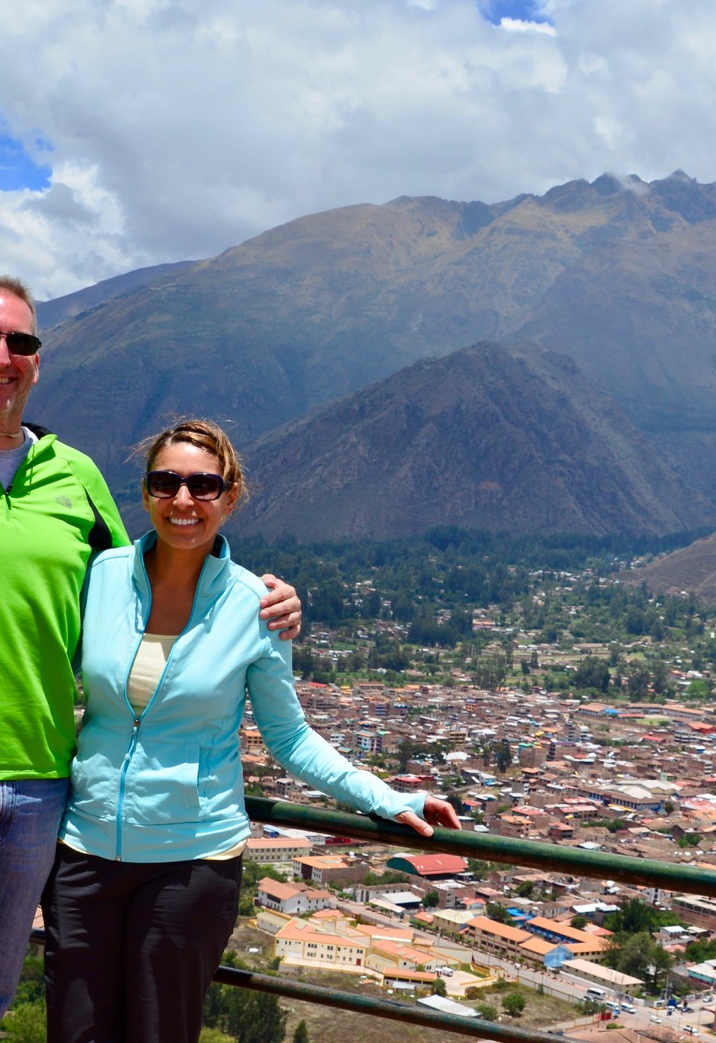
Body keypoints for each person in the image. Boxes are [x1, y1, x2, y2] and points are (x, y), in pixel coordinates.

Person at [0, 279, 302, 1043]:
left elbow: (151, 580)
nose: (1, 355)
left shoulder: (75, 476)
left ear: (37, 363)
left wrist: (261, 603)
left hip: (38, 794)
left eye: (21, 343)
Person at [44, 419, 459, 1043]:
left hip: (189, 865)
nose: (184, 501)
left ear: (230, 498)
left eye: (203, 486)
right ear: (147, 492)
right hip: (83, 853)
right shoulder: (97, 576)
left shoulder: (257, 607)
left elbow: (289, 739)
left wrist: (388, 798)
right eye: (167, 482)